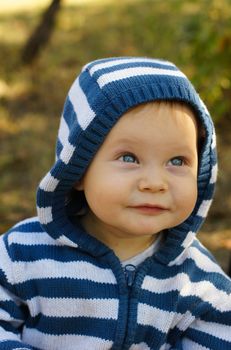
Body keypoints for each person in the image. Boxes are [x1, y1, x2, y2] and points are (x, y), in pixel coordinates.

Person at [0, 57, 230, 350]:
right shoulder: (22, 255)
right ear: (78, 170)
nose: (154, 182)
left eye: (177, 161)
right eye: (129, 158)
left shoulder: (199, 280)